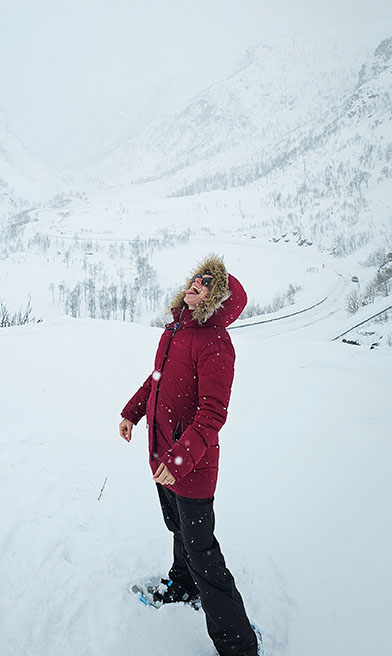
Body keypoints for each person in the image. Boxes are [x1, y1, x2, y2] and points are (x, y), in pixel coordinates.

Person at [119, 254, 260, 656]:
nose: (196, 283)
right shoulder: (179, 328)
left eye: (207, 283)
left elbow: (212, 414)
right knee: (178, 529)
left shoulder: (216, 343)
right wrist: (132, 412)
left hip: (191, 468)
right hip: (164, 457)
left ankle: (240, 646)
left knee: (204, 556)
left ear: (217, 299)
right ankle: (182, 587)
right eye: (198, 277)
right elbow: (158, 379)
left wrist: (179, 461)